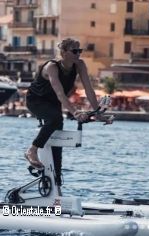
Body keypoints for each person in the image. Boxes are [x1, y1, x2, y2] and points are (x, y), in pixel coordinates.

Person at [25, 38, 101, 190]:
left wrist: (98, 112)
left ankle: (56, 182)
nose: (78, 54)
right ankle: (32, 150)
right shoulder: (52, 67)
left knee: (57, 135)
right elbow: (61, 94)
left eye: (79, 51)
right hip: (36, 101)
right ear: (64, 53)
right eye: (74, 51)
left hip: (53, 103)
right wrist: (75, 112)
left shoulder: (79, 65)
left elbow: (89, 90)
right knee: (55, 118)